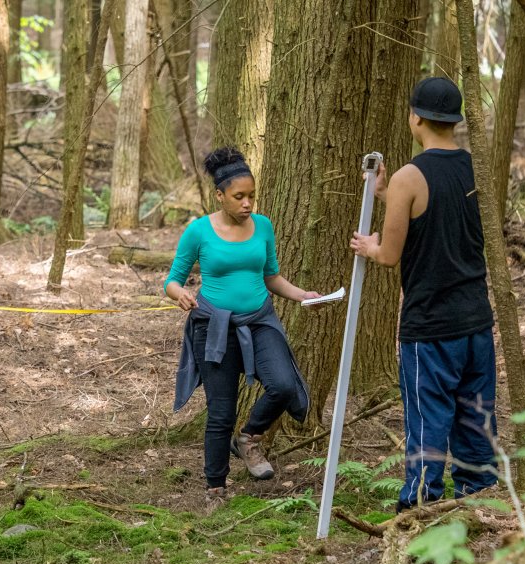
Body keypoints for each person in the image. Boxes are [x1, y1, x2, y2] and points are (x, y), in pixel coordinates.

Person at [349, 76, 499, 511]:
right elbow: (441, 220)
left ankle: (418, 507)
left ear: (415, 118)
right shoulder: (473, 165)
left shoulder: (409, 177)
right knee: (476, 419)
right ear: (454, 120)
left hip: (430, 326)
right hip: (476, 321)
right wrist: (384, 193)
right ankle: (480, 505)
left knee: (428, 420)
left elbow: (390, 253)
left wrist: (369, 245)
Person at [166, 147, 323, 499]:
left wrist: (302, 296)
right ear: (219, 196)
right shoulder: (199, 231)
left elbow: (272, 278)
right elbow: (172, 280)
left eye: (251, 195)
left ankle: (249, 438)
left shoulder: (263, 226)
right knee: (221, 412)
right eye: (239, 197)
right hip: (214, 327)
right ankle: (215, 487)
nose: (247, 203)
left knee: (283, 385)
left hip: (260, 321)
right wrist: (180, 295)